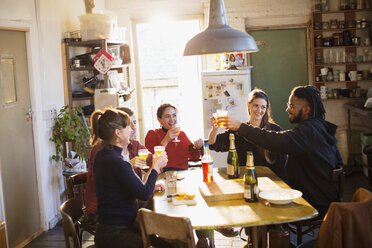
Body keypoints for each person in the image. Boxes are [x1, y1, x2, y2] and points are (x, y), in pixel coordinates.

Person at [220, 85, 343, 218]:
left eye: (292, 106)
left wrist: (240, 127)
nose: (287, 109)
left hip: (314, 201)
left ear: (306, 109)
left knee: (260, 199)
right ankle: (259, 235)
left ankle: (267, 233)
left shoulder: (308, 132)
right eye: (288, 104)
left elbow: (275, 141)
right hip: (324, 196)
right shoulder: (319, 127)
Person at [91, 108, 167, 248]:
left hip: (110, 226)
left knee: (163, 242)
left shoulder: (103, 155)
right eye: (127, 126)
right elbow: (144, 194)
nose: (131, 129)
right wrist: (155, 167)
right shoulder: (117, 161)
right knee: (166, 243)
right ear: (117, 133)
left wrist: (151, 186)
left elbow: (123, 189)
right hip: (115, 233)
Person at [208, 89, 287, 182]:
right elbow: (213, 144)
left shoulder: (275, 131)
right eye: (255, 106)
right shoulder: (238, 129)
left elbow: (282, 166)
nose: (259, 110)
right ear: (248, 105)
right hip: (245, 182)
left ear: (266, 109)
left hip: (271, 184)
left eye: (263, 107)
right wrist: (214, 128)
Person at [145, 103, 203, 171]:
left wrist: (198, 146)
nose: (172, 119)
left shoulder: (181, 134)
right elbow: (149, 161)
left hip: (182, 174)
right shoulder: (153, 134)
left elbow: (195, 158)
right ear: (159, 120)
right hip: (162, 175)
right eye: (167, 116)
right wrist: (166, 140)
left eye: (174, 115)